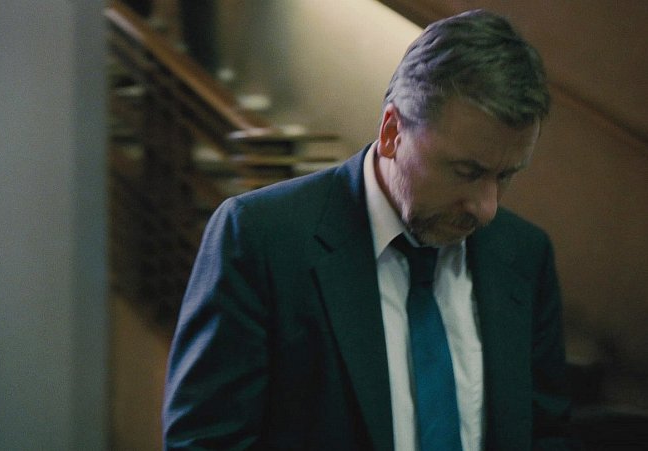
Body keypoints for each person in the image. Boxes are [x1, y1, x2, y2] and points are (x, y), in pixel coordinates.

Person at [163, 9, 573, 451]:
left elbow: (547, 436)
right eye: (466, 172)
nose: (486, 208)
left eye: (505, 176)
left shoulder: (524, 254)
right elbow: (205, 443)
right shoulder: (261, 240)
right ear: (393, 131)